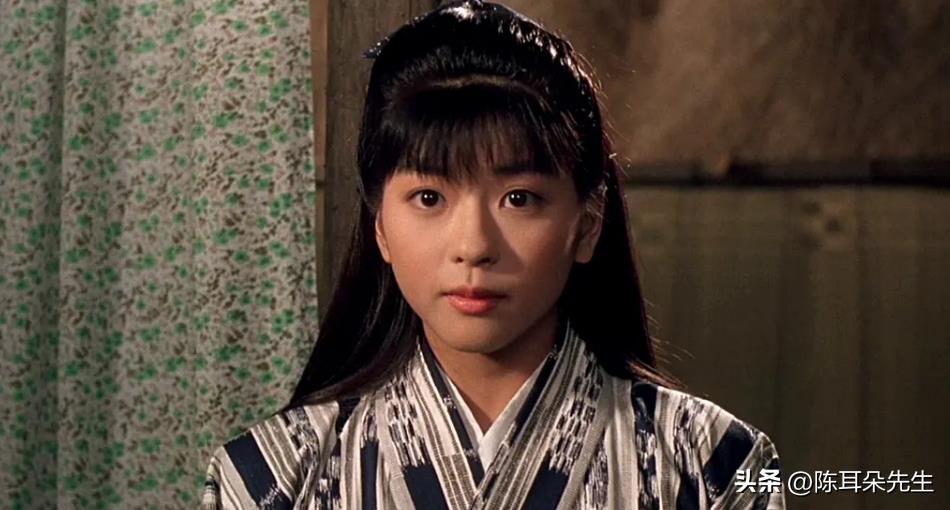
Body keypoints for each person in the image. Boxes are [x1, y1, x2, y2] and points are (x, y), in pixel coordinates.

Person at [202, 1, 786, 508]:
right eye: (429, 198)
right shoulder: (273, 476)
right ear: (380, 227)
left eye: (519, 198)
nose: (474, 246)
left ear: (587, 224)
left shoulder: (712, 464)